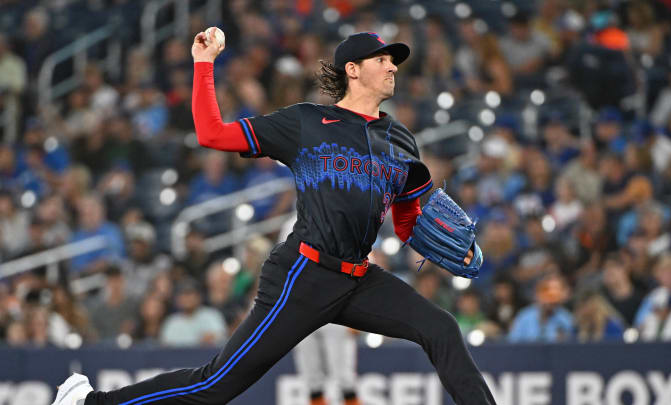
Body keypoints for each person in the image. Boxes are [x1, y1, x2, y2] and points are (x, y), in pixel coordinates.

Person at [52, 30, 496, 405]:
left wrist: (440, 240)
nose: (393, 67)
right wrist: (204, 63)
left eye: (393, 61)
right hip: (303, 274)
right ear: (353, 70)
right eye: (382, 59)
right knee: (216, 385)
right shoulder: (306, 122)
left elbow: (406, 220)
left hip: (358, 278)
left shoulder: (400, 139)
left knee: (440, 327)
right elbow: (211, 134)